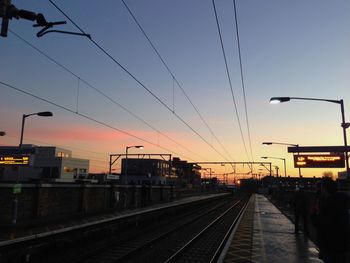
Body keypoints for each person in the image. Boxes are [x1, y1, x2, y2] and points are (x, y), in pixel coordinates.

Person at [316, 177, 349, 263]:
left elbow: (321, 226)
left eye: (321, 188)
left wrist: (315, 214)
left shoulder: (328, 206)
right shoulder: (342, 203)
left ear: (325, 189)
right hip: (342, 246)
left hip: (330, 247)